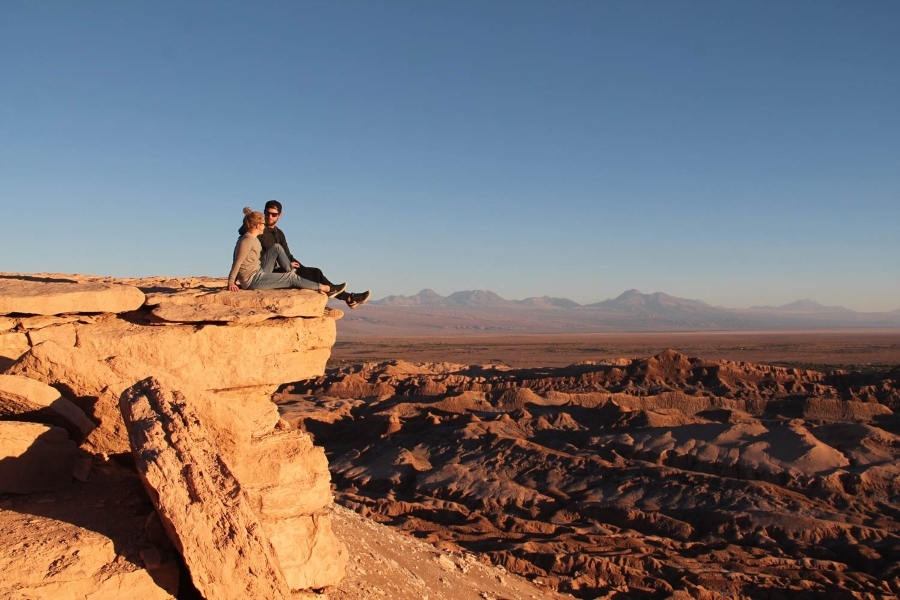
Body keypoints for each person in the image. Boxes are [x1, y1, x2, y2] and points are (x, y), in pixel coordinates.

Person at [240, 200, 371, 309]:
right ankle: (347, 297)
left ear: (280, 215)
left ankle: (347, 298)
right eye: (267, 213)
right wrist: (251, 218)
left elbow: (287, 254)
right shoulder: (258, 230)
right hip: (266, 270)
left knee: (314, 272)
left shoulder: (279, 233)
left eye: (273, 214)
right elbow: (244, 233)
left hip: (284, 265)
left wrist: (300, 267)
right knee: (307, 275)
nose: (269, 217)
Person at [228, 207, 347, 297]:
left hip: (258, 271)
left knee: (276, 247)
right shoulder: (247, 240)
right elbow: (237, 262)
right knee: (290, 278)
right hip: (252, 280)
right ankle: (325, 288)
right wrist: (231, 283)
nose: (265, 226)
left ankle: (290, 270)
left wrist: (287, 264)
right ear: (258, 225)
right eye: (263, 224)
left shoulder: (252, 238)